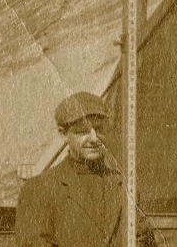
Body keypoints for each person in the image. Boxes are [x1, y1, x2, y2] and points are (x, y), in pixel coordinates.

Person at [14, 91, 156, 247]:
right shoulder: (38, 189)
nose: (94, 138)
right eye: (83, 131)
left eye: (99, 128)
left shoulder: (123, 185)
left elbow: (143, 239)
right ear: (63, 134)